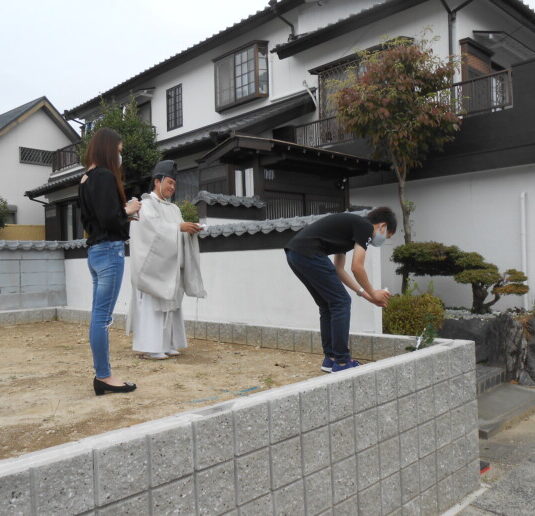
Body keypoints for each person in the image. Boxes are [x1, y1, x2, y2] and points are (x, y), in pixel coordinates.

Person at [285, 207, 396, 373]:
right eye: (387, 236)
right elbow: (357, 267)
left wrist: (367, 296)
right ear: (382, 226)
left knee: (328, 304)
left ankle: (330, 359)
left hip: (295, 253)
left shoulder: (350, 229)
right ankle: (342, 362)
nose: (383, 239)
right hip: (309, 252)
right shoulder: (365, 227)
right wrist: (373, 293)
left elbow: (339, 269)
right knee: (341, 302)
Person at [79, 127, 141, 395]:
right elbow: (109, 218)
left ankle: (102, 373)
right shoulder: (104, 176)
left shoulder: (85, 179)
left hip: (94, 252)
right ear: (108, 149)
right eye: (119, 151)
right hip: (109, 251)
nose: (120, 156)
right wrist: (129, 210)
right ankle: (103, 375)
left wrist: (123, 215)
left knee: (98, 315)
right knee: (102, 317)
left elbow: (93, 219)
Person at [127, 160, 206, 359]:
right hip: (152, 269)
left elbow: (174, 231)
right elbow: (150, 230)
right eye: (169, 182)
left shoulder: (174, 209)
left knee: (172, 306)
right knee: (153, 309)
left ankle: (168, 343)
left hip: (170, 266)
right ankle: (150, 347)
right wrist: (179, 228)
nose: (172, 187)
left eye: (174, 184)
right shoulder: (145, 205)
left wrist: (190, 230)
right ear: (157, 181)